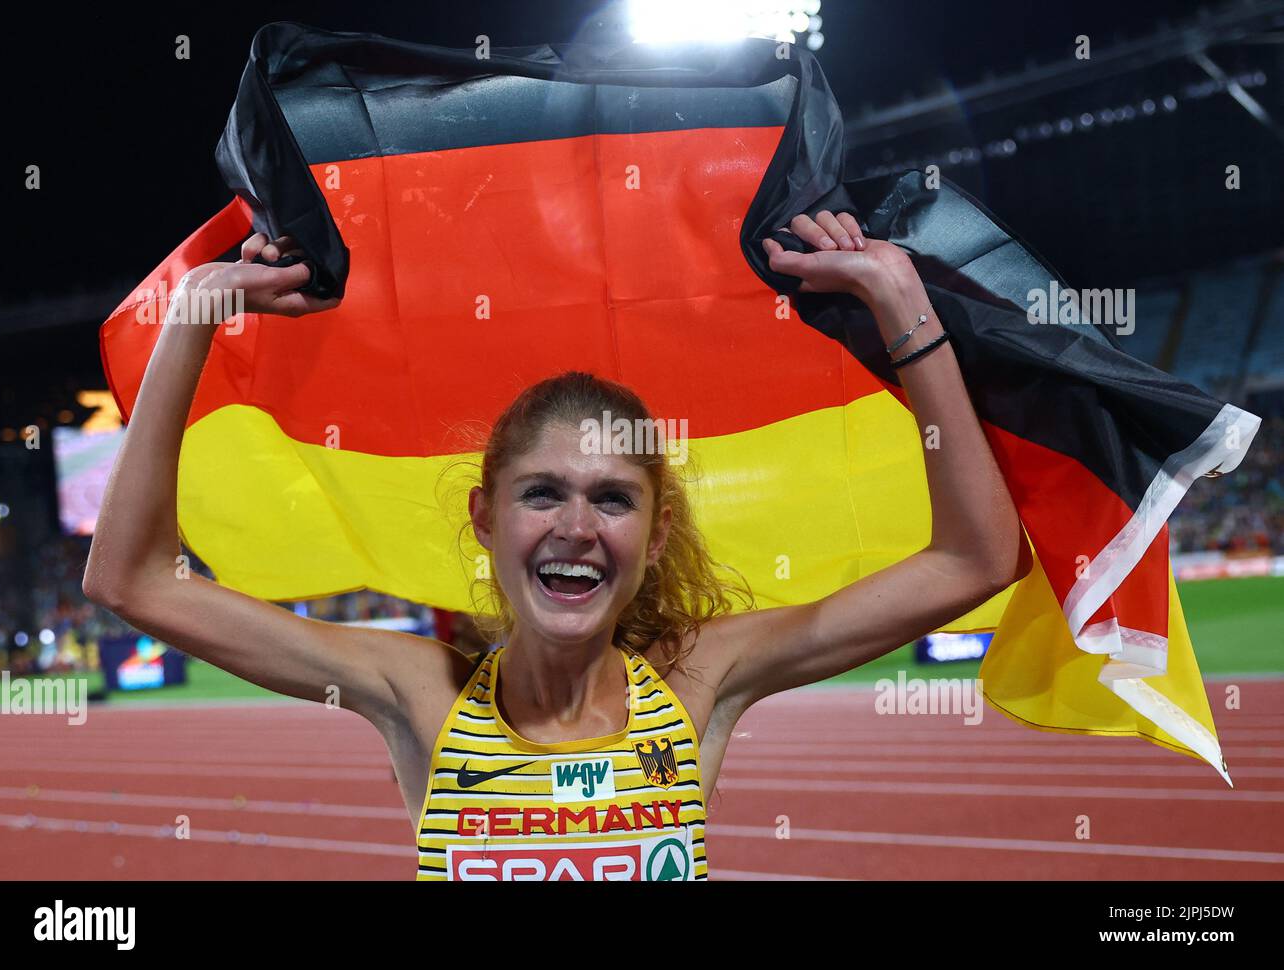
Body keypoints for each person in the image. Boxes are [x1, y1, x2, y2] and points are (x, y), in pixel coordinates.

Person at [83, 210, 1031, 881]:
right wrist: (190, 322)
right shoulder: (419, 695)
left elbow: (975, 561)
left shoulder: (703, 679)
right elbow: (131, 579)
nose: (577, 527)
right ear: (486, 516)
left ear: (655, 538)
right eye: (543, 493)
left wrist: (904, 304)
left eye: (613, 499)